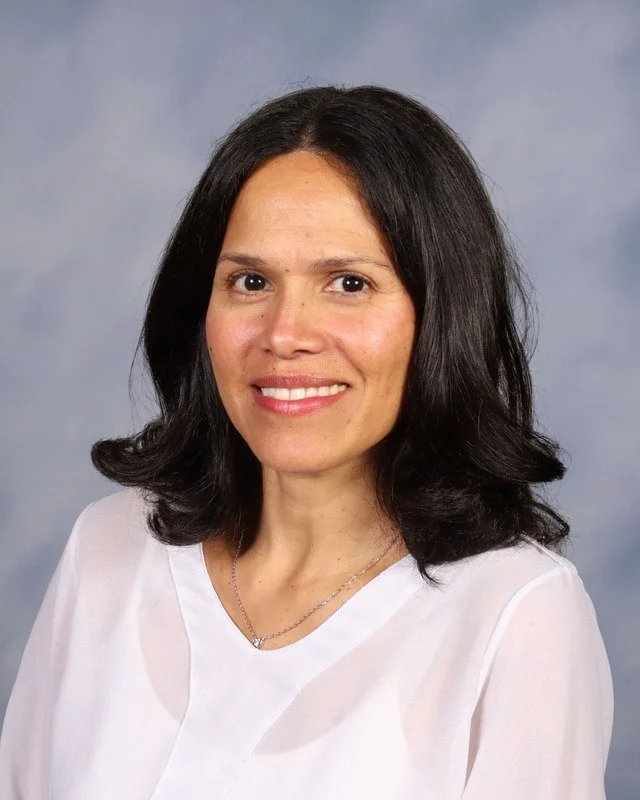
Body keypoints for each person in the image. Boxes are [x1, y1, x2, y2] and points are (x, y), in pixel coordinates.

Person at [0, 85, 613, 799]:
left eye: (349, 283)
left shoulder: (517, 611)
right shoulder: (107, 547)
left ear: (443, 316)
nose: (286, 333)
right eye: (251, 281)